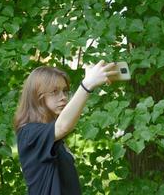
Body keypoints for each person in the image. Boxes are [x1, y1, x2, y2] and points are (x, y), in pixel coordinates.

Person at [13, 61, 119, 195]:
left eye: (64, 91)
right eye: (54, 91)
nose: (63, 97)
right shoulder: (29, 133)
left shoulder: (53, 138)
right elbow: (63, 126)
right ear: (36, 96)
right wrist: (87, 85)